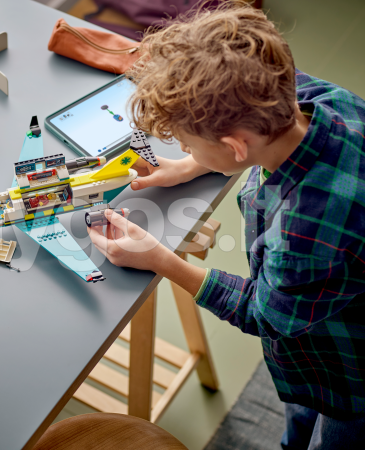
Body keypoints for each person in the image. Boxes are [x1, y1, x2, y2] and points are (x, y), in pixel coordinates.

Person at [87, 2, 365, 449]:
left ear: (236, 146)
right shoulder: (313, 98)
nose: (182, 149)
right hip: (317, 334)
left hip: (348, 367)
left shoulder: (305, 230)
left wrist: (160, 259)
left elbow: (262, 313)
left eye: (186, 143)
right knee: (303, 415)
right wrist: (190, 166)